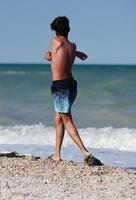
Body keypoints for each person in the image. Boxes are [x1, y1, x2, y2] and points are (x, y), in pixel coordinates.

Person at [44, 16, 102, 166]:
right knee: (58, 118)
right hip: (71, 85)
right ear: (69, 30)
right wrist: (76, 53)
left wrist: (47, 54)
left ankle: (86, 153)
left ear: (55, 31)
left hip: (60, 86)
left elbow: (55, 51)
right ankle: (56, 154)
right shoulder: (73, 46)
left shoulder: (54, 42)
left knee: (67, 119)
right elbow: (65, 49)